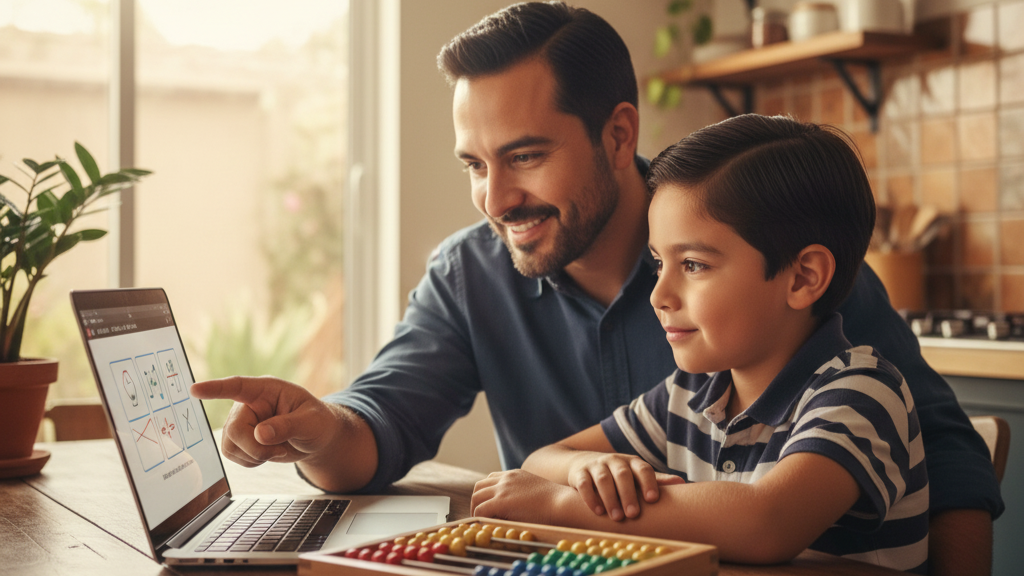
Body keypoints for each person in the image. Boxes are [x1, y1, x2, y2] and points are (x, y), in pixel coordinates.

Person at [190, 3, 1002, 574]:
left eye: (526, 156)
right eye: (476, 165)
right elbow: (379, 425)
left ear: (618, 134)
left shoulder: (773, 262)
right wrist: (316, 428)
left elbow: (948, 456)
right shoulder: (470, 275)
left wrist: (561, 499)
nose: (496, 199)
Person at [470, 114, 929, 572]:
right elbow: (542, 460)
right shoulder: (691, 394)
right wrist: (584, 471)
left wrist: (560, 505)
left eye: (692, 265)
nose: (658, 295)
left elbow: (764, 523)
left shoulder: (862, 393)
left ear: (803, 277)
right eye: (657, 263)